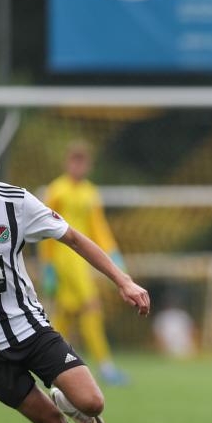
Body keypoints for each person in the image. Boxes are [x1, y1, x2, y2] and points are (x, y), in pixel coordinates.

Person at [0, 120, 150, 423]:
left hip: (30, 326)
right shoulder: (57, 187)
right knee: (49, 422)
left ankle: (66, 397)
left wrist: (123, 281)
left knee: (92, 403)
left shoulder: (15, 203)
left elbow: (72, 236)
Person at [40, 140, 128, 385]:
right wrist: (47, 265)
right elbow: (44, 229)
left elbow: (98, 228)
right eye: (74, 161)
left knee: (66, 314)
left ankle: (51, 364)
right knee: (91, 306)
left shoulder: (90, 192)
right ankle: (106, 366)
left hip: (82, 260)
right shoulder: (56, 190)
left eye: (83, 161)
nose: (79, 166)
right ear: (67, 163)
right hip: (64, 259)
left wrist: (113, 253)